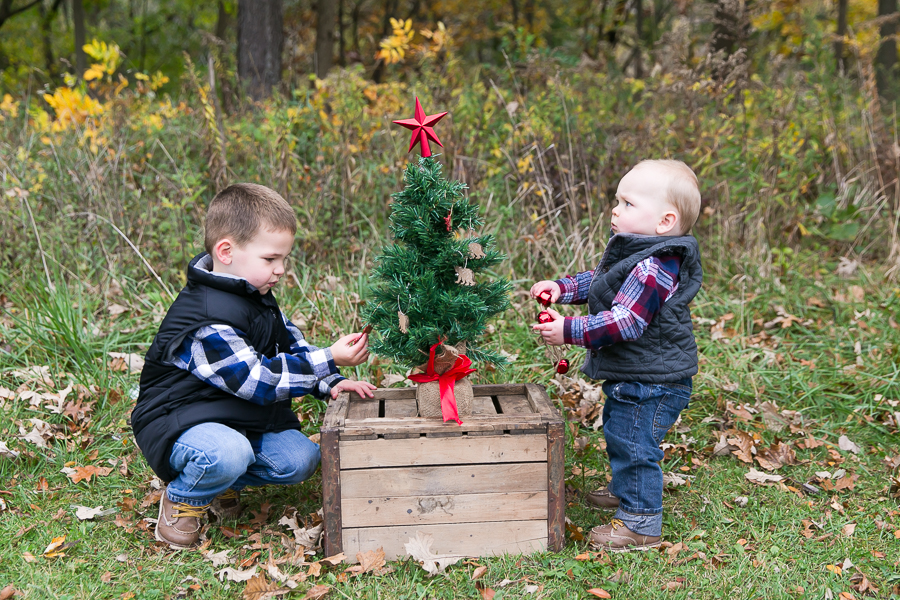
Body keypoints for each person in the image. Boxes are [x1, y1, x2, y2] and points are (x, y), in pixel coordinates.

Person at [131, 183, 376, 549]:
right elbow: (258, 381)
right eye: (270, 259)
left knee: (300, 459)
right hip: (176, 420)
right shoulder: (207, 317)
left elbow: (292, 344)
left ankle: (220, 480)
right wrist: (328, 356)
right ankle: (185, 497)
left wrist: (330, 381)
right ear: (226, 251)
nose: (280, 270)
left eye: (283, 260)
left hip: (233, 418)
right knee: (228, 453)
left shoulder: (256, 296)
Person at [531, 160, 703, 552]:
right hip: (639, 375)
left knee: (635, 442)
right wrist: (562, 288)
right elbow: (601, 282)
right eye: (617, 201)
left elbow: (626, 322)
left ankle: (641, 522)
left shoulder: (655, 266)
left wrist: (569, 330)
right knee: (621, 432)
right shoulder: (637, 255)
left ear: (664, 221)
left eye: (627, 203)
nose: (615, 209)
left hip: (654, 381)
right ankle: (627, 488)